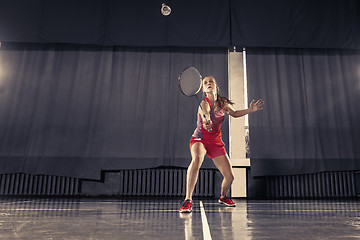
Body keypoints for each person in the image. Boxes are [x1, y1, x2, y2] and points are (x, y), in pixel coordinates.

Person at [179, 75, 264, 213]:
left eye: (210, 81)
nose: (208, 84)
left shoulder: (223, 103)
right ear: (203, 89)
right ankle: (187, 200)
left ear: (216, 85)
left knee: (230, 177)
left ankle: (223, 197)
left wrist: (250, 110)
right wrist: (207, 121)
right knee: (197, 159)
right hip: (200, 138)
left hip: (216, 142)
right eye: (205, 83)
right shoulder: (204, 104)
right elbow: (206, 114)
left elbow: (235, 113)